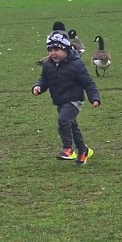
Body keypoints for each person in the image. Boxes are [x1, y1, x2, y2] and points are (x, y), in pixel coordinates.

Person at [32, 31, 101, 165]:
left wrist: (94, 98)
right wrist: (38, 87)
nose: (53, 53)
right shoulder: (48, 65)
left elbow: (88, 82)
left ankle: (68, 149)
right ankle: (83, 151)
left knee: (63, 121)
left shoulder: (76, 64)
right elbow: (44, 80)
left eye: (57, 49)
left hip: (74, 100)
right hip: (60, 100)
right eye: (50, 50)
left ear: (66, 49)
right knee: (72, 127)